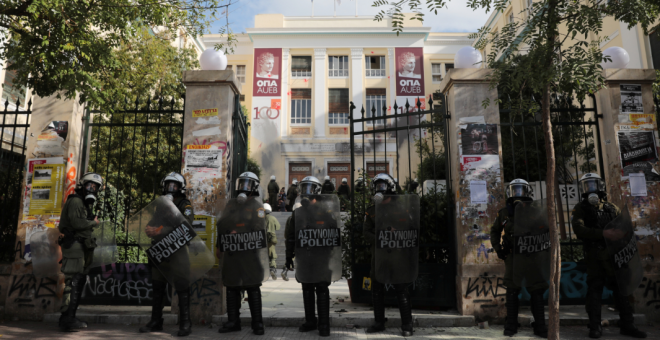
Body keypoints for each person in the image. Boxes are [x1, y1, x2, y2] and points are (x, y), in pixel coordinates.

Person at [572, 173, 646, 339]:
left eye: (594, 184)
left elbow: (624, 226)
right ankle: (595, 326)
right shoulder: (580, 209)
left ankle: (628, 325)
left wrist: (622, 235)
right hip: (595, 255)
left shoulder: (612, 207)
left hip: (614, 255)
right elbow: (579, 230)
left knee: (622, 290)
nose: (591, 188)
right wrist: (604, 233)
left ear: (600, 186)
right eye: (587, 185)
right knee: (595, 290)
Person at [490, 178, 547, 338]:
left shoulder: (536, 211)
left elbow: (546, 230)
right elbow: (494, 231)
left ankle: (540, 326)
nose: (517, 194)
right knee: (512, 290)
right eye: (514, 190)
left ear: (527, 192)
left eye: (520, 190)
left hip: (532, 257)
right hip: (513, 258)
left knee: (536, 290)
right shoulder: (505, 213)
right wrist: (498, 248)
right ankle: (511, 325)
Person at [139, 172, 194, 336]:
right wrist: (149, 229)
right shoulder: (160, 205)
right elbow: (154, 222)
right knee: (157, 286)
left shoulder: (185, 204)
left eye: (174, 185)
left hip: (178, 251)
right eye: (168, 184)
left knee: (182, 286)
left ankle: (185, 323)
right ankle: (156, 321)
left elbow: (187, 225)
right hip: (160, 251)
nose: (171, 188)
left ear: (180, 188)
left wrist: (161, 230)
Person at [363, 174, 415, 337]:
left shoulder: (401, 209)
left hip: (397, 257)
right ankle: (379, 323)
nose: (379, 189)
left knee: (401, 289)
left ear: (390, 187)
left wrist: (396, 235)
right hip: (379, 257)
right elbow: (365, 233)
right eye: (377, 186)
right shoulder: (371, 211)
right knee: (377, 290)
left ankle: (407, 324)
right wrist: (382, 237)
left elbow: (410, 230)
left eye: (382, 186)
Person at [285, 176, 337, 337]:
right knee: (307, 288)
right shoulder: (297, 213)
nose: (306, 192)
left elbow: (334, 235)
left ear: (317, 191)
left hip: (321, 258)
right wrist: (288, 257)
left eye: (310, 188)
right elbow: (291, 237)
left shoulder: (327, 213)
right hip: (304, 257)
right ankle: (310, 321)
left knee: (321, 288)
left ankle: (324, 324)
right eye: (304, 188)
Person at [216, 172, 267, 335]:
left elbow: (259, 229)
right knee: (231, 287)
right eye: (242, 183)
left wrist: (239, 232)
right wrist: (220, 245)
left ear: (254, 187)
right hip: (232, 254)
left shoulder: (257, 206)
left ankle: (257, 323)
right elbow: (221, 224)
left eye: (248, 184)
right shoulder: (231, 204)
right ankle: (233, 322)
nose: (243, 187)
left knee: (252, 287)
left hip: (249, 255)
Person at [58, 172, 103, 332]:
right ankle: (68, 319)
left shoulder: (82, 202)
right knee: (74, 281)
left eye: (95, 187)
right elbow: (77, 223)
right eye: (89, 185)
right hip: (75, 246)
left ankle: (69, 317)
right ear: (82, 185)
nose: (92, 189)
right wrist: (94, 223)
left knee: (77, 281)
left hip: (80, 246)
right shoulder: (76, 201)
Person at [264, 203, 280, 280]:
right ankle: (272, 269)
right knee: (272, 255)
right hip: (272, 238)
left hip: (263, 239)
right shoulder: (273, 218)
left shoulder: (261, 218)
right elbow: (278, 227)